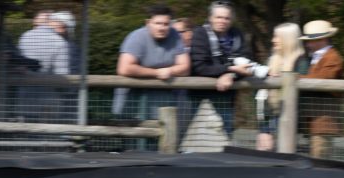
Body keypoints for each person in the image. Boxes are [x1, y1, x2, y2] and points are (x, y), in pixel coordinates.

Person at [115, 4, 189, 126]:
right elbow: (124, 68)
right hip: (133, 105)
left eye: (166, 24)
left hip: (162, 105)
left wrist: (169, 71)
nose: (162, 28)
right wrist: (157, 73)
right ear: (148, 22)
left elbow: (185, 67)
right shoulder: (136, 37)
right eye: (158, 23)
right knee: (131, 141)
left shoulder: (175, 36)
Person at [190, 1, 254, 135]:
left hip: (225, 97)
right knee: (194, 137)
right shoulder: (200, 34)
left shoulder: (237, 35)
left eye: (226, 18)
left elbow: (247, 63)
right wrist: (230, 69)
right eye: (218, 17)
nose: (222, 21)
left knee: (224, 136)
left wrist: (231, 75)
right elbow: (199, 67)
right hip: (199, 97)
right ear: (210, 18)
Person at [255, 23, 305, 152]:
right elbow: (262, 99)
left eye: (277, 37)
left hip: (293, 127)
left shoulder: (302, 62)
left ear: (288, 39)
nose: (273, 40)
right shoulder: (272, 61)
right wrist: (264, 129)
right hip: (271, 122)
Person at [299, 20, 344, 159]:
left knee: (321, 156)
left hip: (325, 117)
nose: (308, 44)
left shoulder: (333, 57)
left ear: (323, 39)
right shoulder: (317, 57)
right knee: (316, 154)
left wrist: (296, 77)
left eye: (311, 41)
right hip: (315, 116)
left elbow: (322, 78)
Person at [18, 11, 74, 122]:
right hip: (48, 102)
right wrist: (68, 91)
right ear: (51, 22)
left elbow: (18, 63)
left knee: (24, 134)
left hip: (25, 98)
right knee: (48, 137)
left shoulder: (25, 36)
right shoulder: (59, 42)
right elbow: (62, 75)